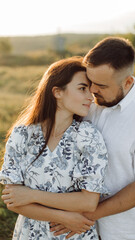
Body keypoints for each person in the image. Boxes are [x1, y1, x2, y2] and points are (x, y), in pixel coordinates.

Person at [40, 37, 135, 240]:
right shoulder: (87, 101)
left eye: (101, 85)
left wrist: (85, 216)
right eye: (90, 82)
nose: (93, 90)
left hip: (116, 231)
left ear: (128, 82)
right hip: (64, 226)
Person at [0, 57, 109, 240]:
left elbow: (89, 202)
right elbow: (13, 200)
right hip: (32, 233)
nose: (90, 96)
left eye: (90, 90)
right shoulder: (22, 135)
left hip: (73, 235)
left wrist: (30, 195)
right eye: (82, 88)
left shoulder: (88, 136)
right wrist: (63, 216)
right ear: (57, 92)